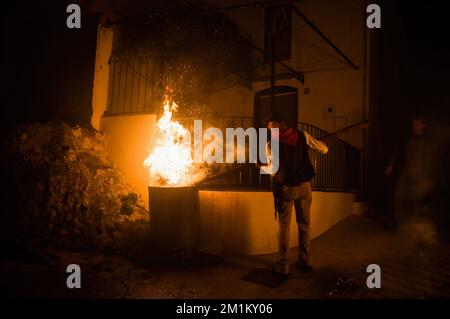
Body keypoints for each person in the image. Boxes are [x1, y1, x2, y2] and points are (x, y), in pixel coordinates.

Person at [259, 112, 328, 274]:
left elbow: (273, 169)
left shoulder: (270, 144)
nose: (269, 130)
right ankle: (304, 261)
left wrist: (261, 167)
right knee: (305, 225)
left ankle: (283, 265)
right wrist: (315, 145)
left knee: (284, 227)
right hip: (305, 186)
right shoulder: (302, 136)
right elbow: (324, 149)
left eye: (269, 126)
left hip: (286, 188)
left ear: (276, 125)